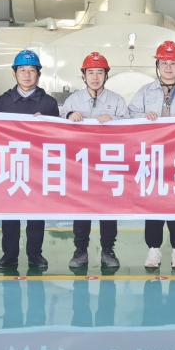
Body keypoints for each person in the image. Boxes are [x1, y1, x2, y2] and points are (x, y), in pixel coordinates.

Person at [128, 40, 175, 270]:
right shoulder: (145, 92)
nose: (168, 67)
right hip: (153, 157)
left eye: (173, 63)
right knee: (154, 203)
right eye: (164, 63)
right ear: (157, 65)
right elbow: (130, 114)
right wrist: (144, 117)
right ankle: (154, 250)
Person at [0, 50, 59, 272]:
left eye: (32, 70)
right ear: (14, 73)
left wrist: (47, 124)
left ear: (38, 74)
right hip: (10, 165)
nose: (27, 75)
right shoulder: (2, 102)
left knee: (36, 214)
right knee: (10, 214)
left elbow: (57, 137)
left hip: (37, 167)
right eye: (22, 70)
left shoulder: (49, 104)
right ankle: (9, 255)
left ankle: (35, 254)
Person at [61, 51, 127, 270]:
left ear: (106, 75)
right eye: (91, 72)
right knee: (81, 209)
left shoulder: (117, 101)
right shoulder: (73, 100)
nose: (95, 77)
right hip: (80, 165)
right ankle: (80, 251)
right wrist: (69, 116)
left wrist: (114, 120)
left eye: (100, 72)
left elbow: (130, 127)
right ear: (84, 75)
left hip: (108, 163)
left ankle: (108, 250)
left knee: (109, 209)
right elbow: (58, 124)